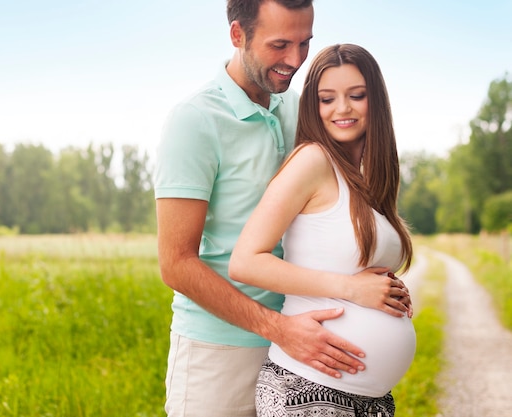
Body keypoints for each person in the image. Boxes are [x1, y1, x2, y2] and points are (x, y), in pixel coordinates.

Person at [155, 1, 412, 416]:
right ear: (238, 36)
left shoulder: (304, 111)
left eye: (304, 43)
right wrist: (279, 329)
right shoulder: (195, 121)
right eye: (279, 45)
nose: (294, 61)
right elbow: (176, 264)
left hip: (308, 348)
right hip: (219, 350)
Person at [228, 43, 416, 416]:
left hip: (367, 400)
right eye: (327, 99)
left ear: (375, 101)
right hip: (308, 389)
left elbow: (346, 260)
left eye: (356, 96)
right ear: (313, 107)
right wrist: (352, 289)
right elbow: (245, 262)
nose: (342, 109)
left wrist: (387, 289)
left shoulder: (368, 183)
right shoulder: (312, 161)